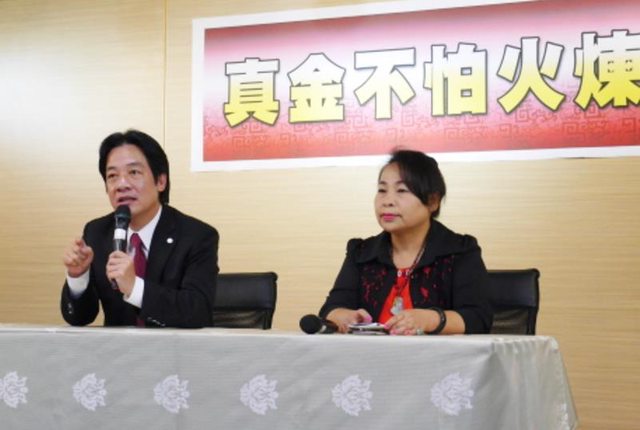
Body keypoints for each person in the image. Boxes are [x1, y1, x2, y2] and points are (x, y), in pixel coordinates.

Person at [319, 149, 493, 335]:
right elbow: (331, 309)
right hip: (369, 353)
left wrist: (431, 320)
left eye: (401, 190)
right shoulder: (361, 253)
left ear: (433, 201)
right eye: (382, 190)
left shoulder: (459, 251)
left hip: (435, 354)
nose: (387, 201)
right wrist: (343, 316)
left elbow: (478, 318)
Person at [61, 129, 219, 328]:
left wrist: (135, 288)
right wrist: (78, 278)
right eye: (112, 176)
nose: (122, 184)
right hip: (117, 348)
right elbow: (80, 318)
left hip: (174, 348)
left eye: (134, 172)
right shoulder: (97, 232)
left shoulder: (197, 236)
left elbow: (197, 312)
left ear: (161, 181)